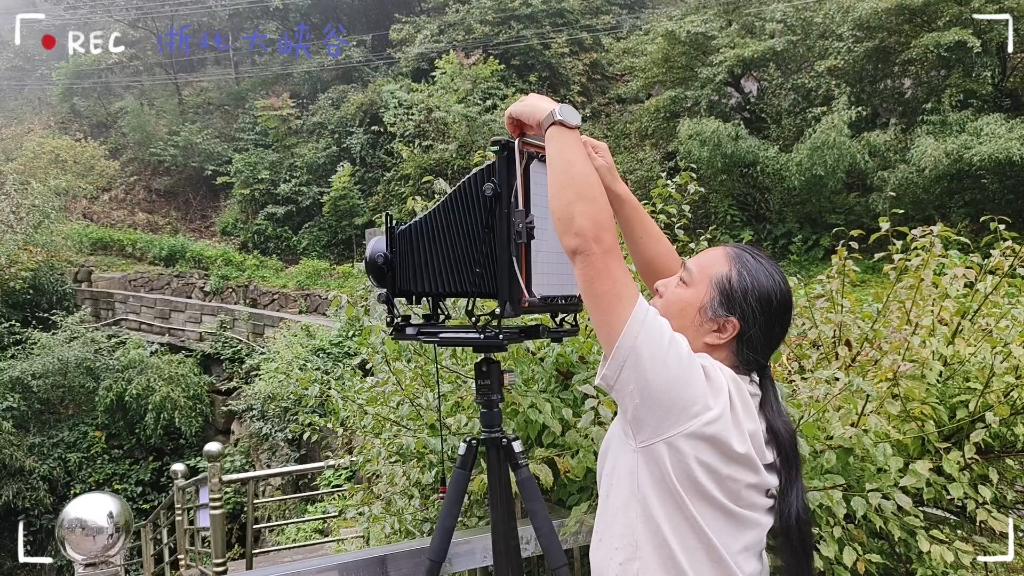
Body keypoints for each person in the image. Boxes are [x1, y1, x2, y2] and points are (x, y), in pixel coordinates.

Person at [504, 94, 815, 576]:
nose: (662, 286)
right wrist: (614, 186)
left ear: (722, 328)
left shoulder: (686, 395)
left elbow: (590, 247)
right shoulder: (734, 386)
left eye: (684, 281)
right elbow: (668, 283)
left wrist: (555, 119)